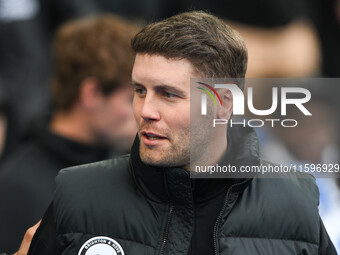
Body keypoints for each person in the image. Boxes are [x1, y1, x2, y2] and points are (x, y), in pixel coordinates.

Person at [28, 11, 336, 255]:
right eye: (139, 90)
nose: (145, 109)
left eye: (168, 94)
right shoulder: (78, 194)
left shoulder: (294, 203)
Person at [0, 15, 138, 253]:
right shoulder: (15, 190)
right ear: (91, 93)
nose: (142, 112)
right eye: (131, 98)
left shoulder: (125, 166)